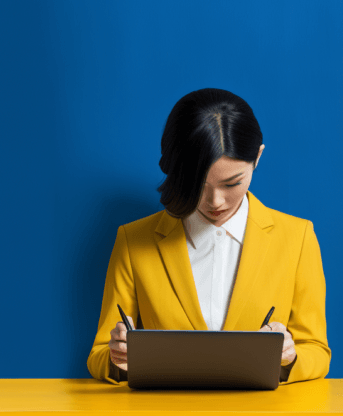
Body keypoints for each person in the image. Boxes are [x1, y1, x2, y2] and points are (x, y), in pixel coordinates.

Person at [86, 88, 330, 384]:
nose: (216, 202)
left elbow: (316, 351)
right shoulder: (132, 240)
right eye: (199, 184)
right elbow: (99, 355)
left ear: (257, 157)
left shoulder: (298, 238)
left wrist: (291, 357)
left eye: (232, 183)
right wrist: (117, 357)